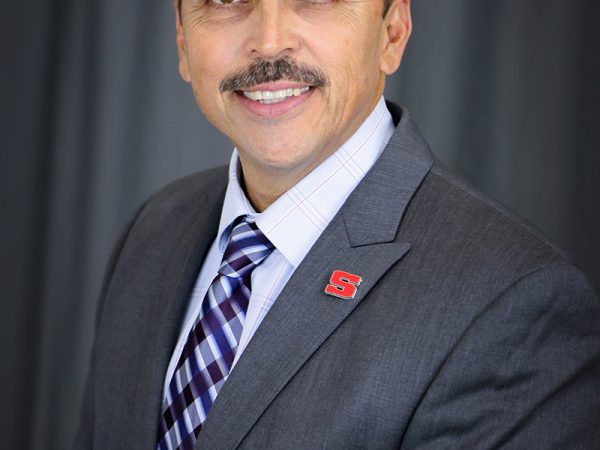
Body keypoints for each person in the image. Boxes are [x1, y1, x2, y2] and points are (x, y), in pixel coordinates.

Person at [75, 0, 600, 448]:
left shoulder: (515, 302)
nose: (269, 41)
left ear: (392, 32)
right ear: (183, 40)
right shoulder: (154, 231)